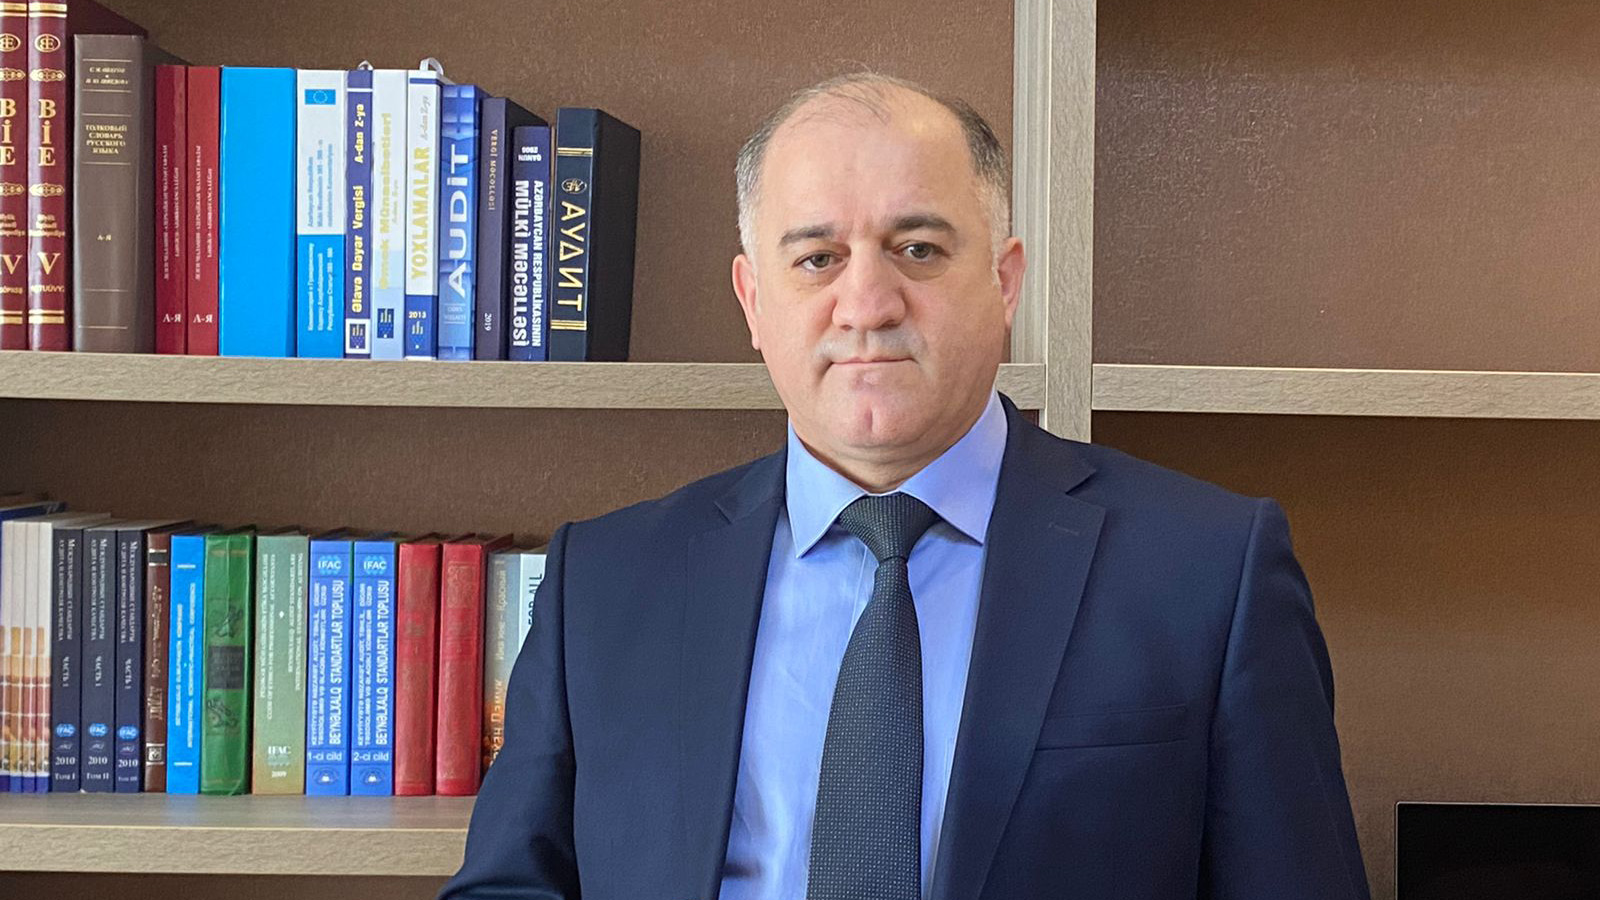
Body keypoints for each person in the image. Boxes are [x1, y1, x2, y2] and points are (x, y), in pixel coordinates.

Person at [439, 72, 1370, 900]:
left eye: (918, 249)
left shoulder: (1209, 573)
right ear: (754, 302)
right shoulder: (604, 581)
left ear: (1004, 281)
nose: (867, 304)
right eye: (817, 259)